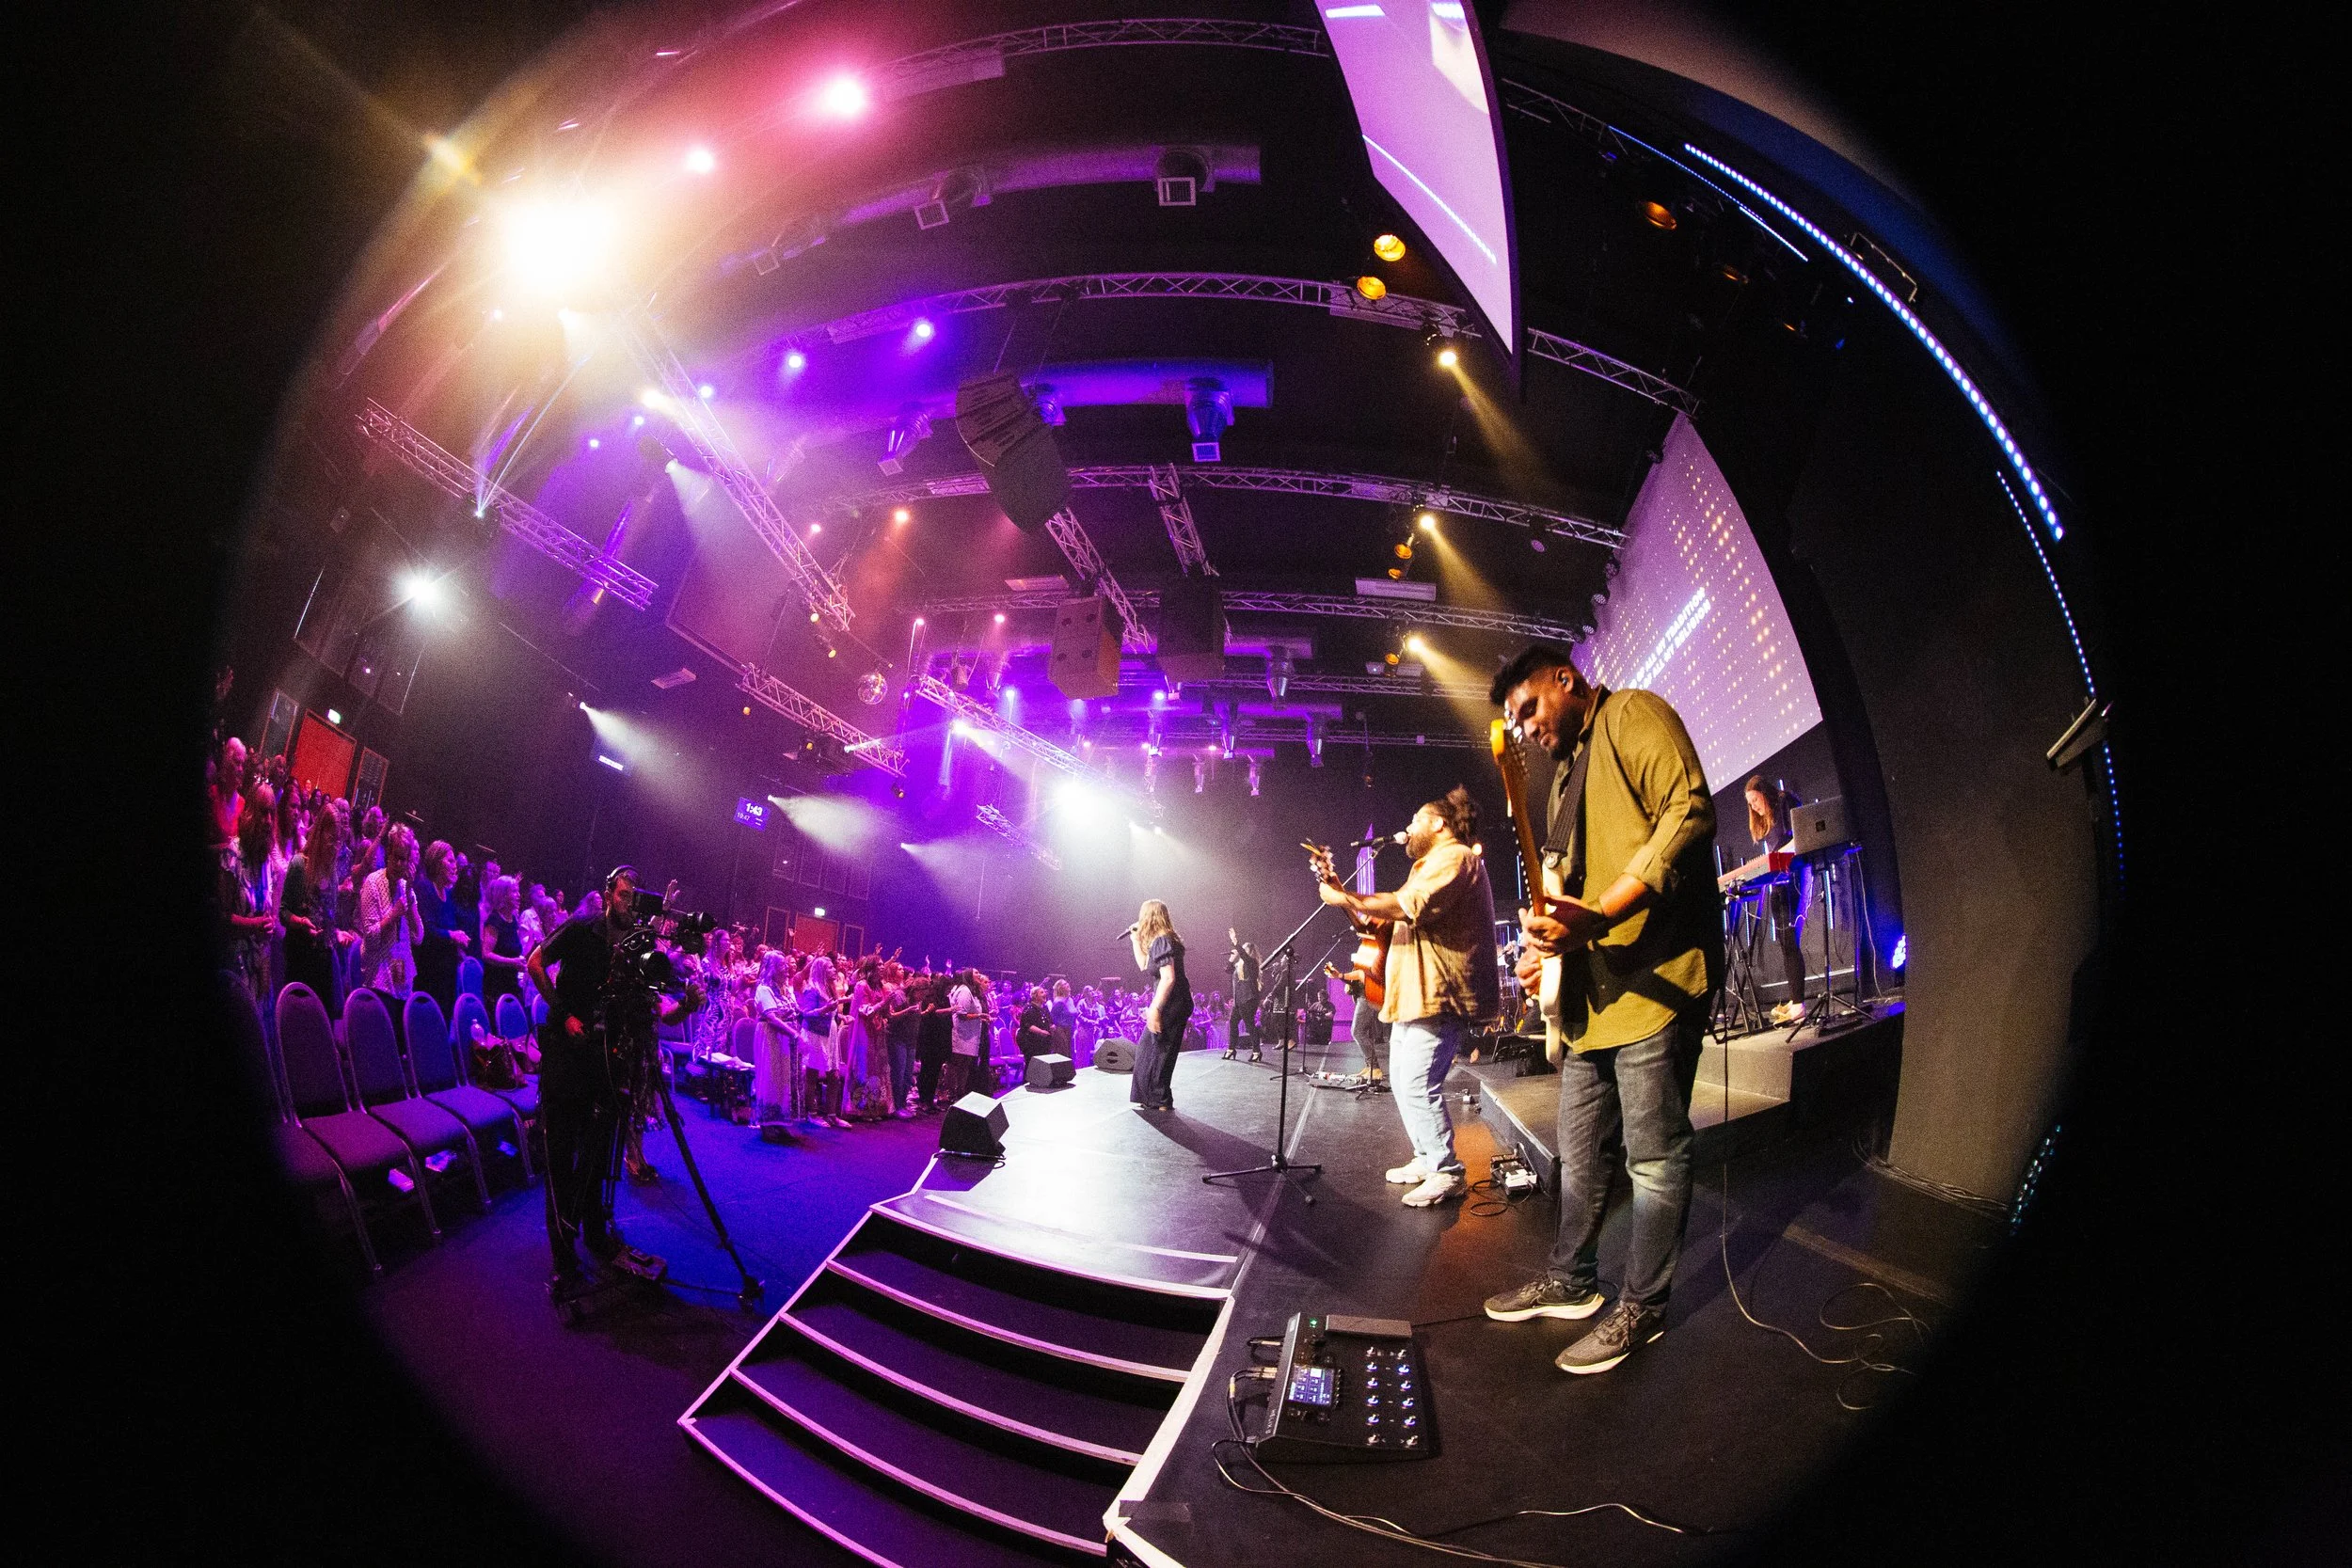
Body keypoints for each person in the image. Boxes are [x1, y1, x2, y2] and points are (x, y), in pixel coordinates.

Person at [1482, 644, 1722, 1375]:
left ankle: (1643, 1306)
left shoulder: (1633, 713)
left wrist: (1603, 912)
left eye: (1528, 708)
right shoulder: (1556, 785)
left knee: (1653, 1160)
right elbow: (1568, 902)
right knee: (1580, 1157)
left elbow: (1689, 811)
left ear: (1566, 679)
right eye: (1512, 721)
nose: (1523, 728)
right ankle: (1573, 1280)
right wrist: (1545, 949)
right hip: (1594, 1002)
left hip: (1655, 987)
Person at [525, 864, 704, 1297]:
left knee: (599, 1153)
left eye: (632, 898)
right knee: (563, 1157)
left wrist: (688, 1007)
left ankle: (595, 1232)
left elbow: (659, 1009)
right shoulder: (581, 929)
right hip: (568, 1059)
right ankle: (563, 1256)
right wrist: (563, 1012)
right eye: (623, 896)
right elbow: (534, 963)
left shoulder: (637, 947)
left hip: (608, 1066)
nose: (627, 904)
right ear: (608, 895)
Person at [1316, 788, 1499, 1206]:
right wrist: (1338, 888)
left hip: (1438, 995)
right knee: (1402, 1081)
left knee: (1418, 1084)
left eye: (1417, 818)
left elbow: (1405, 905)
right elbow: (1374, 920)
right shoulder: (1428, 866)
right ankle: (1426, 1154)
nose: (1408, 827)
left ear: (1438, 823)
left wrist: (1345, 896)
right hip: (1415, 995)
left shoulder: (1456, 858)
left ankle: (1446, 1169)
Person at [1730, 774, 1810, 1024]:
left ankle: (1799, 1004)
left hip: (1795, 875)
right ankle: (1796, 1002)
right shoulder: (1766, 820)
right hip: (1778, 882)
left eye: (1755, 800)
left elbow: (1802, 838)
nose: (1754, 806)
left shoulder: (1785, 802)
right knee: (1785, 944)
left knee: (1790, 938)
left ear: (1764, 792)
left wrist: (1774, 859)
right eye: (1750, 804)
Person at [279, 795, 354, 1016]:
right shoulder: (299, 865)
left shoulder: (331, 873)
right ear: (320, 834)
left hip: (321, 960)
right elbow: (283, 912)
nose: (335, 847)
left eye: (339, 841)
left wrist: (337, 933)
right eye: (332, 840)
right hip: (299, 958)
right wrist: (301, 922)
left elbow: (327, 918)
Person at [1127, 901, 1192, 1113]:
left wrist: (1155, 1009)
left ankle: (1160, 1100)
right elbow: (1145, 965)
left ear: (1149, 917)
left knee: (1159, 1050)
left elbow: (1168, 978)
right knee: (1154, 1050)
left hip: (1172, 1002)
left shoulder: (1162, 939)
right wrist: (1136, 940)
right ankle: (1156, 1099)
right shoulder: (1163, 940)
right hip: (1175, 1001)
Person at [357, 823, 422, 996]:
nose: (399, 864)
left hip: (400, 978)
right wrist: (393, 915)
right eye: (396, 857)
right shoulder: (373, 883)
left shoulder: (406, 887)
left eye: (404, 859)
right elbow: (370, 939)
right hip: (378, 978)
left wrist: (408, 890)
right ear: (388, 854)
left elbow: (418, 936)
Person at [413, 840, 469, 1015]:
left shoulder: (449, 894)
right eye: (450, 861)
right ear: (437, 862)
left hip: (446, 976)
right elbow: (426, 931)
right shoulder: (424, 888)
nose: (455, 867)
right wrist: (452, 936)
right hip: (429, 975)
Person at [752, 950, 797, 1123]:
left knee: (782, 1080)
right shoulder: (764, 989)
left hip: (785, 1039)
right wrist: (794, 1034)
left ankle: (780, 1122)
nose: (786, 968)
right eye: (781, 965)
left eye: (786, 964)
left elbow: (796, 1012)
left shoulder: (787, 989)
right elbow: (772, 1018)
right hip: (770, 1036)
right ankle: (767, 1124)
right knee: (771, 1078)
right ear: (771, 968)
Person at [479, 874, 528, 1006]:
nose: (518, 895)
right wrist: (512, 962)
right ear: (503, 895)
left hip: (510, 983)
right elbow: (486, 954)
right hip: (496, 987)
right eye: (514, 891)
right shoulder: (495, 920)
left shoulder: (513, 920)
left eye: (518, 891)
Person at [1224, 930, 1261, 1061]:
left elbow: (1244, 956)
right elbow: (1227, 969)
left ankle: (1257, 1051)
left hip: (1249, 997)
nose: (1240, 951)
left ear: (1249, 951)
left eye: (1244, 949)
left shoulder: (1252, 963)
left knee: (1249, 1024)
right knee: (1232, 1023)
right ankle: (1231, 1049)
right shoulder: (1239, 965)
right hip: (1238, 999)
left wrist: (1235, 941)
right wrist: (1231, 958)